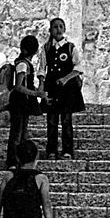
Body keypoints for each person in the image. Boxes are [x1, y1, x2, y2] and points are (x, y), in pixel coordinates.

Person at [42, 16, 84, 160]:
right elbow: (42, 70)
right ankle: (51, 150)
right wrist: (42, 89)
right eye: (55, 27)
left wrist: (65, 79)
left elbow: (78, 68)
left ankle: (67, 150)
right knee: (52, 120)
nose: (58, 29)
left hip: (68, 90)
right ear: (50, 30)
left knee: (66, 120)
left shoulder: (71, 47)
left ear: (64, 29)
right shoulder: (46, 48)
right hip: (52, 88)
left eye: (61, 26)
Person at [5, 33, 47, 168]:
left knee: (22, 132)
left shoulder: (25, 64)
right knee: (17, 132)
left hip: (23, 103)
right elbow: (18, 86)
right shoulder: (23, 65)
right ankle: (12, 161)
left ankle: (20, 160)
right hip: (19, 102)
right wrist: (35, 93)